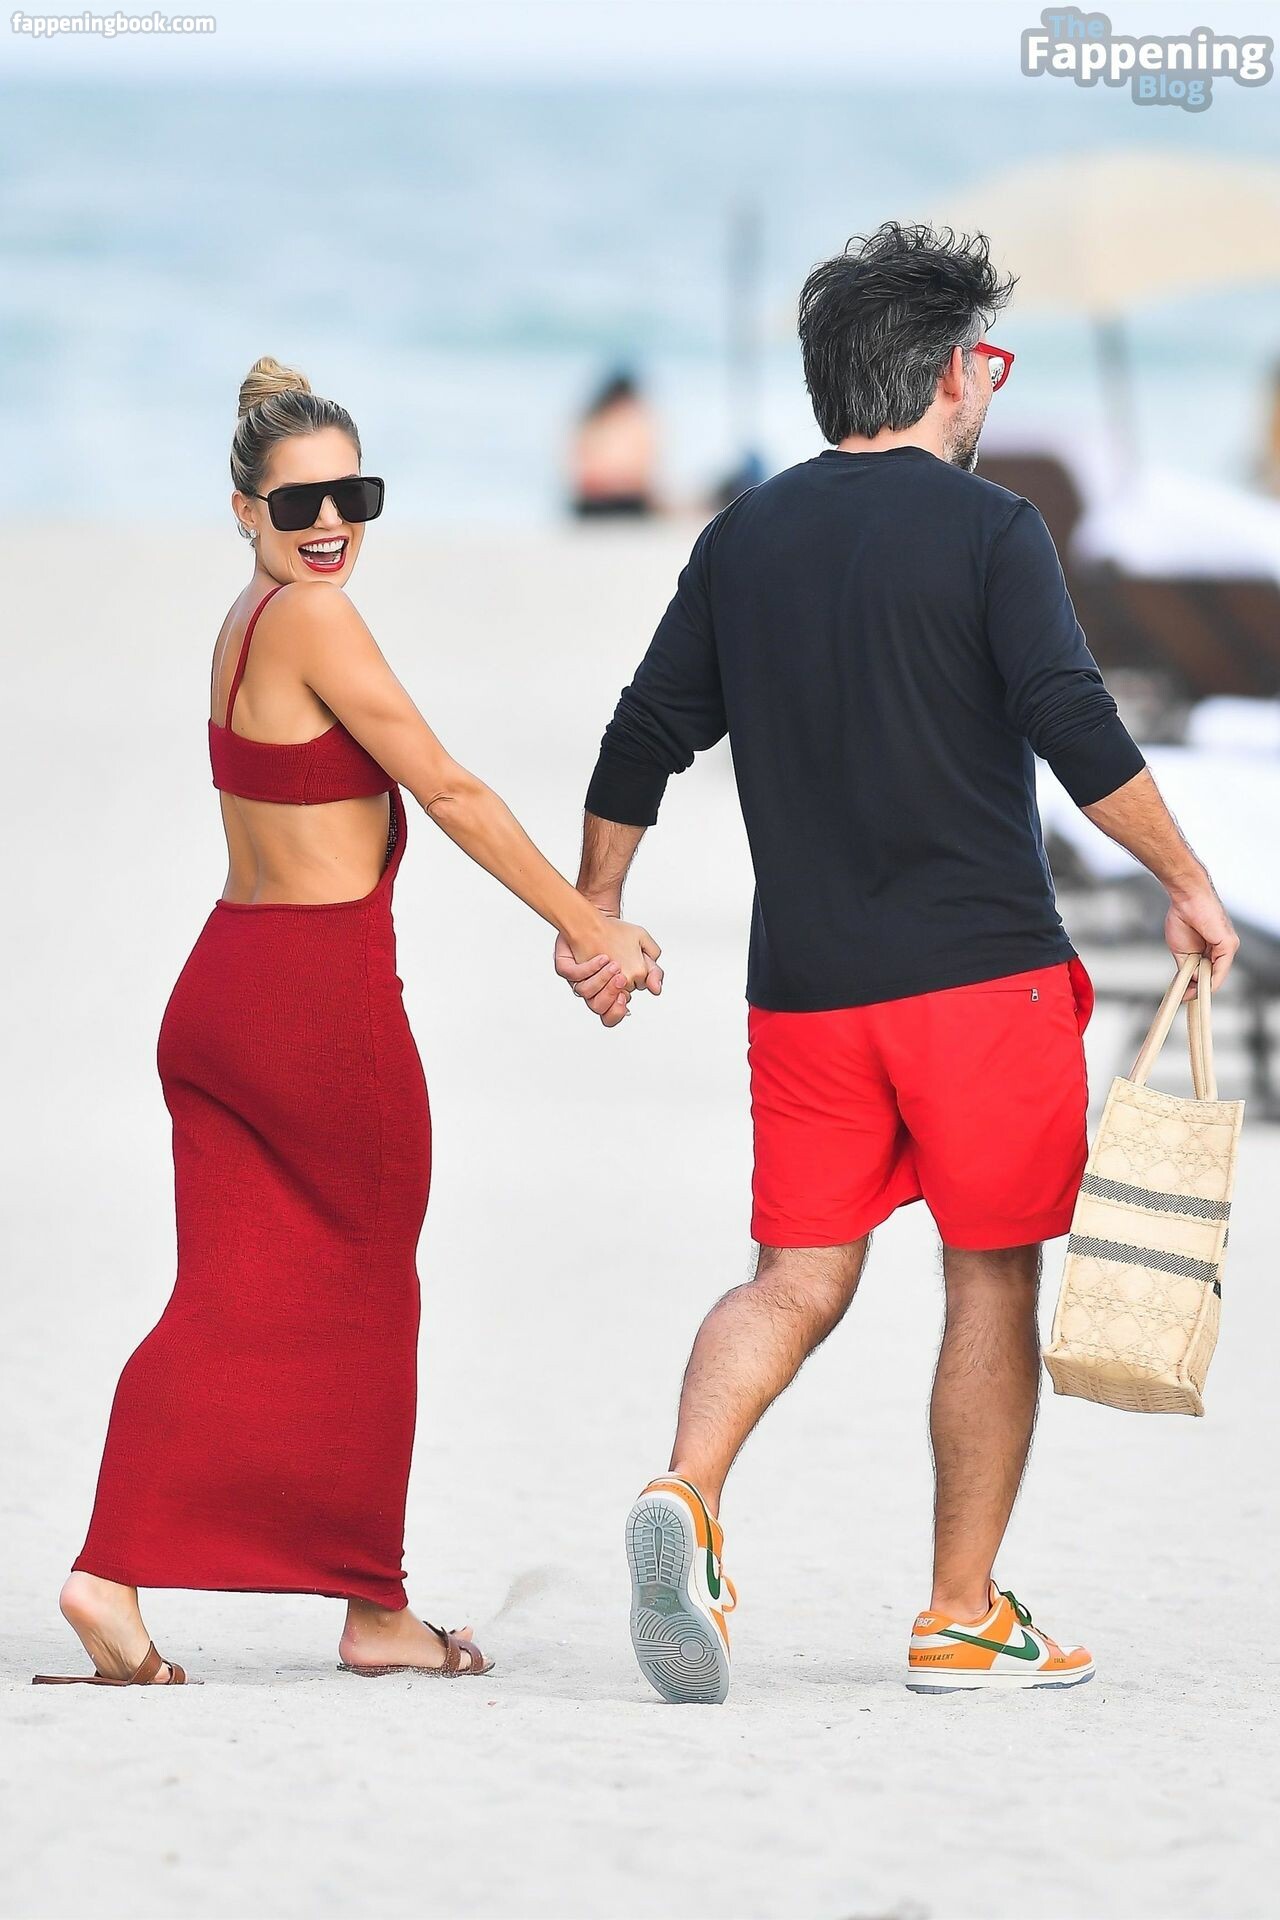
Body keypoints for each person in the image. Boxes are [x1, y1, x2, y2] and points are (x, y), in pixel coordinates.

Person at [555, 223, 1239, 1701]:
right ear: (943, 376)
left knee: (794, 1278)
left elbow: (641, 736)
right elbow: (1074, 722)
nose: (988, 385)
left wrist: (597, 911)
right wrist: (1187, 881)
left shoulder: (741, 540)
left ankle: (685, 1489)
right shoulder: (993, 533)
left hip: (807, 994)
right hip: (980, 983)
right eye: (986, 362)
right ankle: (957, 1613)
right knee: (987, 1279)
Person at [36, 356, 658, 1689]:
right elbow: (450, 790)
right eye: (298, 502)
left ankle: (114, 1574)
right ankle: (372, 1611)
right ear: (245, 509)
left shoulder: (245, 619)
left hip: (221, 990)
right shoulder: (316, 619)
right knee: (371, 1292)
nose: (330, 524)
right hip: (317, 1006)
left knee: (224, 1296)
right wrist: (589, 924)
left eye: (353, 497)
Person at [568, 369, 659, 518]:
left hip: (624, 499)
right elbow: (583, 474)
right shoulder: (594, 424)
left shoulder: (637, 425)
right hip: (601, 500)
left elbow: (644, 473)